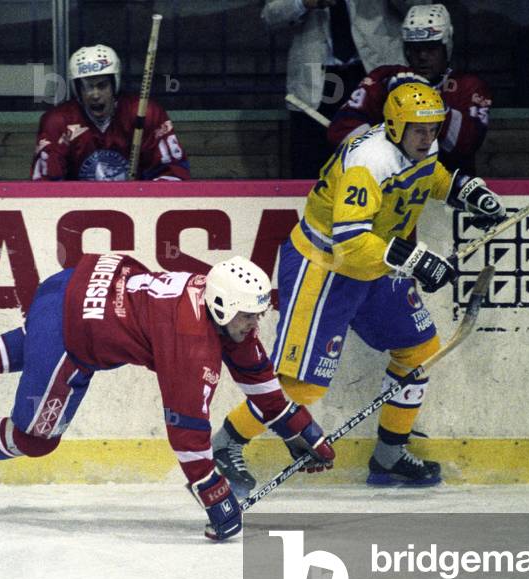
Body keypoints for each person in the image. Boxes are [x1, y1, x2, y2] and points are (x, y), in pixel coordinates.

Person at [211, 83, 506, 496]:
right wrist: (418, 260)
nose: (429, 137)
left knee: (418, 351)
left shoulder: (418, 145)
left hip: (377, 261)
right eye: (419, 129)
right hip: (326, 266)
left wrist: (464, 191)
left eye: (434, 128)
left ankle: (389, 454)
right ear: (395, 125)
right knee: (300, 386)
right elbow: (350, 244)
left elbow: (428, 178)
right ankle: (226, 444)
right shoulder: (369, 162)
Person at [0, 255, 334, 541]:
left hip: (71, 283)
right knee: (36, 438)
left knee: (37, 339)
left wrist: (304, 433)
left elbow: (258, 380)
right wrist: (215, 496)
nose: (254, 323)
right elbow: (187, 433)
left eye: (257, 314)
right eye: (248, 316)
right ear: (222, 307)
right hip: (73, 330)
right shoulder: (191, 344)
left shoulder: (216, 300)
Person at [262, 0, 420, 179]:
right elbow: (270, 16)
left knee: (382, 168)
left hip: (374, 77)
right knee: (313, 172)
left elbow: (420, 6)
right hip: (314, 84)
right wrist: (303, 3)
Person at [327, 3, 492, 175]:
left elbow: (465, 145)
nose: (422, 57)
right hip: (393, 188)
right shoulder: (384, 78)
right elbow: (339, 130)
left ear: (446, 46)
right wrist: (385, 147)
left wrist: (423, 97)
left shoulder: (470, 87)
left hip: (451, 189)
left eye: (431, 48)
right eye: (415, 49)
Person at [31, 44, 189, 181]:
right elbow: (45, 185)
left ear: (115, 84)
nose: (95, 95)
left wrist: (142, 197)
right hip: (78, 210)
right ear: (76, 89)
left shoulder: (144, 113)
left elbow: (174, 173)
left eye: (102, 85)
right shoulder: (58, 122)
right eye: (87, 86)